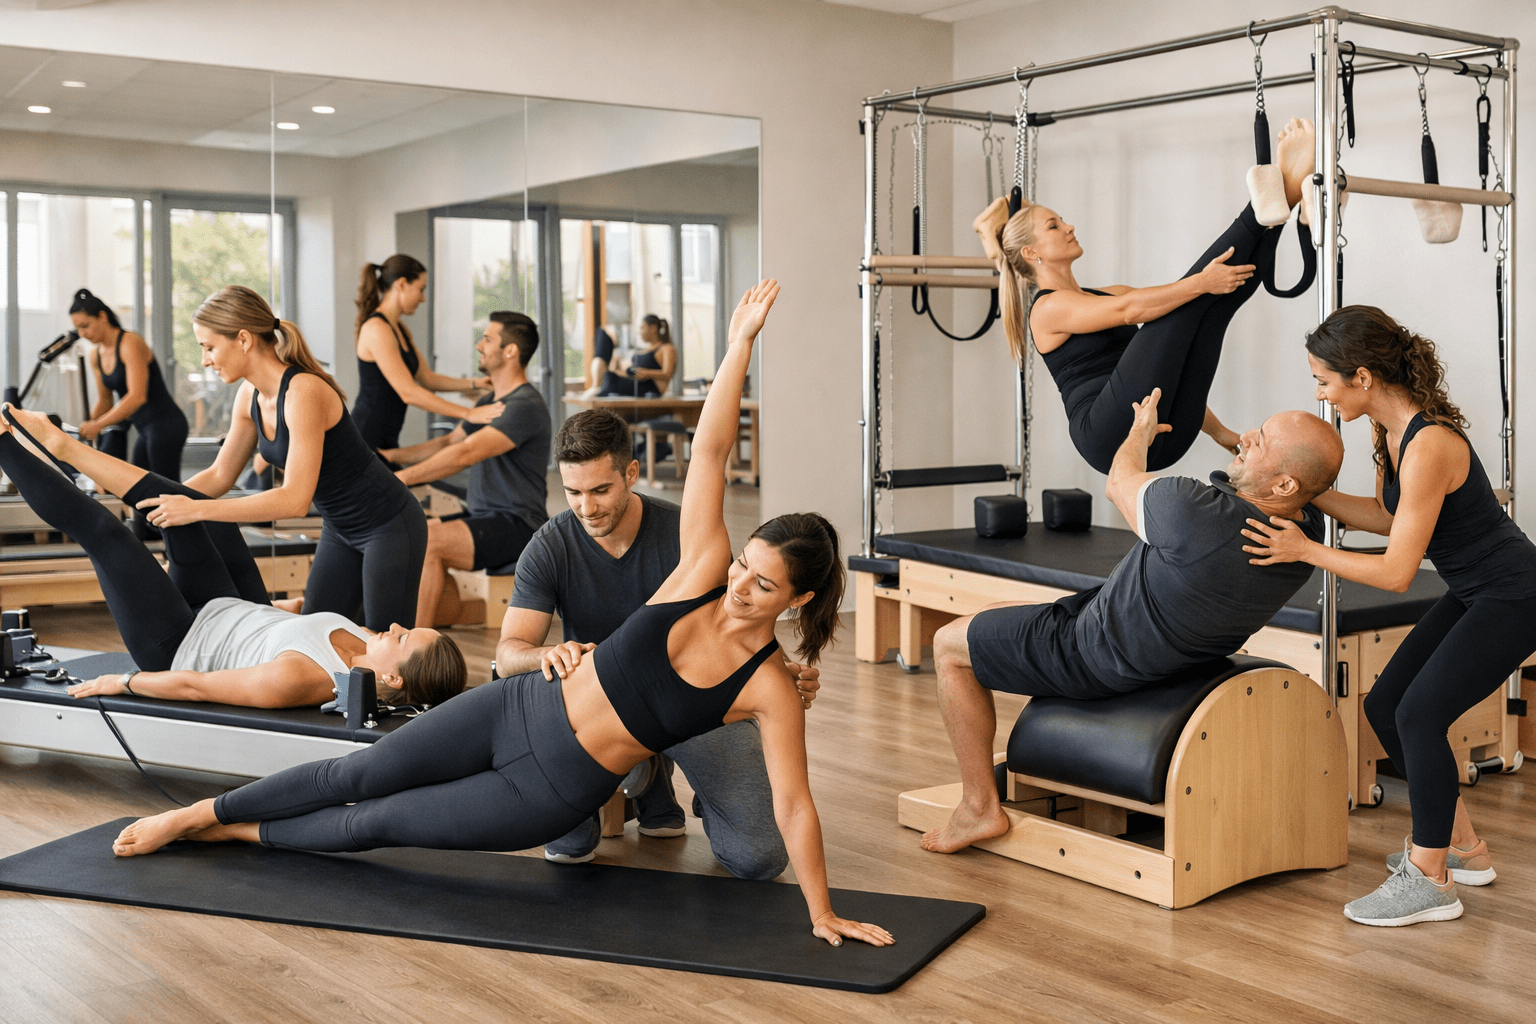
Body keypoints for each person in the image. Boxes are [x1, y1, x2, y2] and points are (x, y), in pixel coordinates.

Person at [108, 280, 893, 950]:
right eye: (745, 567)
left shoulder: (770, 687)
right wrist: (738, 347)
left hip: (553, 786)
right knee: (356, 772)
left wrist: (822, 910)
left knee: (375, 825)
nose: (741, 586)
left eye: (762, 587)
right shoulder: (700, 570)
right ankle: (195, 815)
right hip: (517, 708)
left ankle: (236, 834)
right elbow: (713, 452)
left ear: (796, 601)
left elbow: (795, 802)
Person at [921, 387, 1343, 854]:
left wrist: (1139, 433)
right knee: (993, 617)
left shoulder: (1195, 512)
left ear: (1284, 485)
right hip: (1170, 655)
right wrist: (1229, 438)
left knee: (949, 645)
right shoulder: (1304, 531)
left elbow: (1119, 479)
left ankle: (979, 808)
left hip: (1094, 656)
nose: (1245, 438)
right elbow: (1309, 487)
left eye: (1259, 440)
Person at [1242, 305, 1536, 927]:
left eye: (1324, 379)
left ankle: (1431, 877)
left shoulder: (1430, 442)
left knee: (1418, 713)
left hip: (1514, 594)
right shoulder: (1390, 433)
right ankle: (1463, 847)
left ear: (1363, 378)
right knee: (1386, 707)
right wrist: (1293, 481)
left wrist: (1305, 548)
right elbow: (1385, 517)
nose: (1319, 392)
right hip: (1475, 588)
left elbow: (1398, 571)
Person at [497, 407, 820, 875]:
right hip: (595, 707)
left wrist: (778, 675)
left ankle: (669, 778)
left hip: (687, 702)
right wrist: (546, 652)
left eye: (601, 490)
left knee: (760, 860)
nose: (586, 508)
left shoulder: (686, 534)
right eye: (573, 493)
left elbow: (737, 629)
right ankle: (641, 774)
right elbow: (507, 655)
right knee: (569, 851)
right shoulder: (549, 546)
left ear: (631, 473)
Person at [0, 405, 464, 709]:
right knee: (183, 506)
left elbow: (196, 686)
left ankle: (3, 438)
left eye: (404, 640)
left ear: (394, 680)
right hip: (223, 605)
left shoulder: (303, 678)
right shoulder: (366, 642)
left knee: (106, 532)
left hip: (176, 644)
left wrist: (122, 683)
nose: (398, 626)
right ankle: (56, 444)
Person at [975, 117, 1317, 475]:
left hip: (1167, 433)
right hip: (1110, 436)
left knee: (1212, 307)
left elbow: (1169, 346)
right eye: (1054, 225)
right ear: (1031, 254)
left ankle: (1282, 201)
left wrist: (1221, 434)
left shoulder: (1102, 296)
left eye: (1062, 220)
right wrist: (1201, 283)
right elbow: (1130, 310)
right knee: (1185, 300)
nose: (1069, 226)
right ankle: (1265, 206)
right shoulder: (1046, 309)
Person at [133, 285, 429, 633]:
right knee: (318, 639)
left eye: (209, 347)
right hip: (340, 528)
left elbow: (294, 499)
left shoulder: (304, 392)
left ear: (243, 339)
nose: (205, 360)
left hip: (390, 524)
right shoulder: (249, 396)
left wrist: (196, 510)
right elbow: (219, 475)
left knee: (385, 645)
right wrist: (157, 499)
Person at [384, 312, 551, 627]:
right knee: (416, 533)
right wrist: (391, 456)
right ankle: (434, 622)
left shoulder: (524, 405)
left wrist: (401, 480)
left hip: (519, 525)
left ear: (510, 351)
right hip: (484, 516)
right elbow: (448, 442)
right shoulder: (490, 400)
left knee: (428, 542)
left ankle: (411, 650)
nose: (479, 346)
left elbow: (465, 453)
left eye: (487, 339)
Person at [353, 255, 503, 452]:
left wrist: (475, 383)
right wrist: (468, 414)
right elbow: (408, 392)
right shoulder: (377, 329)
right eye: (421, 289)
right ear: (402, 284)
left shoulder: (398, 328)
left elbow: (427, 378)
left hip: (387, 437)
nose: (423, 298)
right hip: (366, 437)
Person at [69, 288, 190, 484]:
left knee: (167, 491)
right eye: (78, 329)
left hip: (166, 424)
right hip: (144, 427)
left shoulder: (130, 343)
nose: (82, 334)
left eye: (86, 326)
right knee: (140, 492)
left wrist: (98, 425)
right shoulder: (95, 355)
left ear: (102, 316)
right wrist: (84, 430)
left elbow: (137, 396)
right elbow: (104, 400)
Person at [583, 315, 676, 398]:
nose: (640, 332)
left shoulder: (666, 348)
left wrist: (647, 373)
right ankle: (596, 389)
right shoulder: (645, 350)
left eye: (642, 328)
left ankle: (595, 390)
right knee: (609, 375)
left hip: (651, 389)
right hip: (637, 383)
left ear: (653, 328)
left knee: (609, 379)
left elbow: (667, 373)